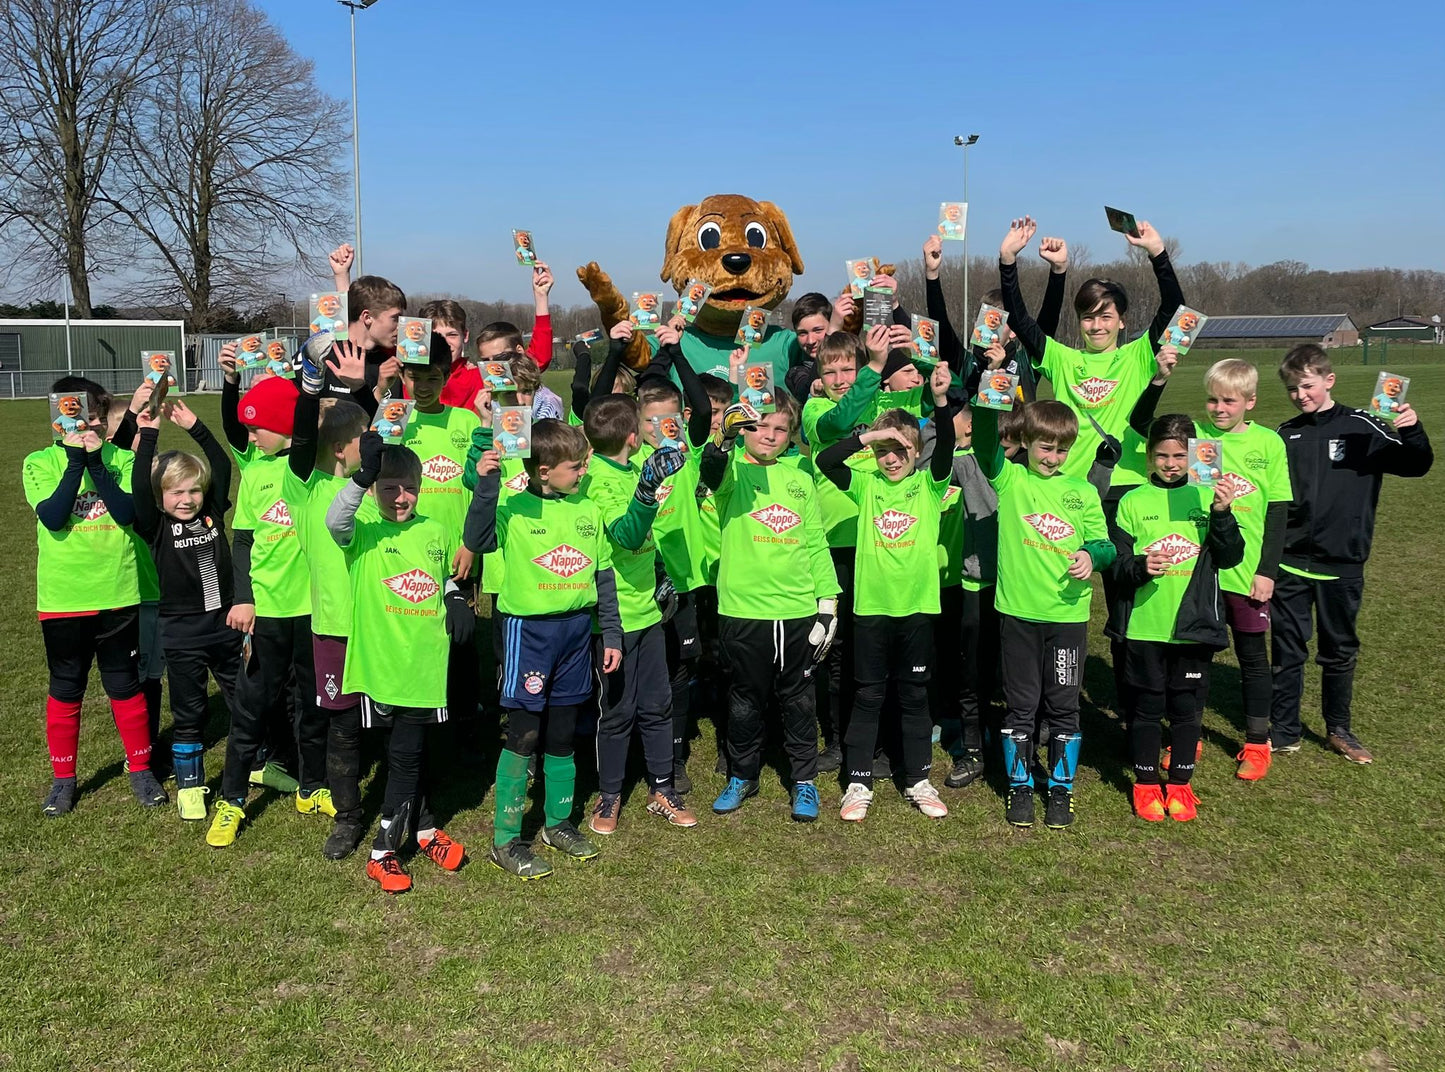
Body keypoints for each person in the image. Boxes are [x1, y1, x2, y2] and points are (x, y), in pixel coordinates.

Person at [995, 214, 1186, 738]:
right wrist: (1008, 261)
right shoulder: (1060, 359)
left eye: (1106, 316)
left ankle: (1134, 715)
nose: (1096, 325)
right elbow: (1021, 321)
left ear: (1122, 321)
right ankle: (1040, 710)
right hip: (1067, 496)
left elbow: (1174, 310)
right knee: (1054, 601)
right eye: (1088, 317)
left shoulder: (1138, 355)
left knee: (1127, 609)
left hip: (1124, 495)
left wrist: (1157, 252)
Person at [463, 419, 623, 880]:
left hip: (575, 632)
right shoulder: (512, 508)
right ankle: (505, 840)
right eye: (577, 466)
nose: (584, 471)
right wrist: (487, 485)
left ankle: (557, 824)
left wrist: (611, 633)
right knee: (524, 733)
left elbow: (603, 578)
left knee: (563, 732)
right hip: (527, 634)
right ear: (545, 471)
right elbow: (477, 540)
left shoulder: (587, 509)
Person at [1270, 345, 1433, 763]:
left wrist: (1412, 429)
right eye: (1292, 389)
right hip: (1290, 561)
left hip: (1341, 562)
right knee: (1288, 650)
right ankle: (1284, 730)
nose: (1300, 395)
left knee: (1339, 650)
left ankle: (1339, 729)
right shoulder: (1286, 434)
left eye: (1307, 386)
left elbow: (1416, 465)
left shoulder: (1364, 426)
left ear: (1329, 380)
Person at [326, 437, 474, 893]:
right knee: (404, 755)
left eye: (408, 487)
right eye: (388, 488)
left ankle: (424, 830)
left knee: (414, 751)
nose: (400, 497)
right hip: (383, 666)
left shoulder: (436, 530)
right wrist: (361, 478)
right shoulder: (365, 532)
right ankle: (382, 853)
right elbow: (335, 520)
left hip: (426, 666)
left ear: (421, 487)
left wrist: (454, 597)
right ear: (374, 490)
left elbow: (441, 576)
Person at [817, 359, 956, 822]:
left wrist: (939, 402)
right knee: (869, 695)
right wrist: (869, 437)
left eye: (900, 450)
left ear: (916, 450)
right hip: (872, 610)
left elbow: (945, 444)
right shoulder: (866, 484)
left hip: (916, 609)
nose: (891, 459)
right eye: (884, 452)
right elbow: (825, 460)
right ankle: (858, 783)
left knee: (914, 696)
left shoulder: (930, 486)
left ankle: (918, 779)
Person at [971, 396, 1115, 828]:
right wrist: (991, 384)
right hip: (1019, 615)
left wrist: (1091, 555)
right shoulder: (1011, 479)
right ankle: (1019, 787)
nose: (1052, 458)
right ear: (1025, 441)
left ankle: (1060, 788)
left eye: (1062, 450)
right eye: (1045, 447)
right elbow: (983, 440)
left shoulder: (1082, 492)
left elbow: (1105, 545)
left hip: (1067, 618)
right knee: (1021, 706)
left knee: (1064, 708)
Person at [23, 378, 162, 816]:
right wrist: (73, 463)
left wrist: (97, 464)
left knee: (124, 684)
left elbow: (127, 513)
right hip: (64, 597)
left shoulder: (122, 458)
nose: (89, 425)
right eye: (79, 416)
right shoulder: (38, 462)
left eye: (97, 418)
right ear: (57, 419)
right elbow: (53, 516)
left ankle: (141, 769)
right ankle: (63, 779)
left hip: (118, 592)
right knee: (67, 687)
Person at [699, 393, 840, 821]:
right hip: (743, 611)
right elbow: (712, 471)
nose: (770, 435)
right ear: (746, 429)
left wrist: (827, 601)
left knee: (799, 700)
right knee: (745, 700)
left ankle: (804, 780)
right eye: (761, 426)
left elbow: (815, 541)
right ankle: (743, 774)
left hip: (796, 610)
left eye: (781, 429)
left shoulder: (800, 477)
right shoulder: (734, 471)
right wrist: (724, 439)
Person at [1108, 414, 1244, 822]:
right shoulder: (1131, 501)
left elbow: (1230, 556)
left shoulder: (1207, 497)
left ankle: (1181, 785)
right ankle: (1146, 783)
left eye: (1180, 456)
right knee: (1147, 708)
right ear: (1149, 455)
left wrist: (1222, 512)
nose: (1170, 464)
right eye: (1162, 456)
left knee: (1187, 710)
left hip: (1194, 626)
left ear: (1195, 456)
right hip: (1144, 627)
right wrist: (1140, 566)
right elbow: (1116, 564)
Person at [209, 374, 326, 847]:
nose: (251, 437)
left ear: (285, 426)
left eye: (258, 428)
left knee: (313, 705)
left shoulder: (313, 468)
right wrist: (244, 597)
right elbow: (242, 541)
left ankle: (312, 787)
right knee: (251, 708)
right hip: (267, 613)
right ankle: (232, 799)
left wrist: (311, 392)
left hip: (315, 612)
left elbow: (307, 437)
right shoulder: (255, 473)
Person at [578, 393, 696, 834]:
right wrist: (646, 490)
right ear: (632, 436)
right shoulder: (599, 480)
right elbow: (627, 536)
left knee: (658, 705)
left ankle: (662, 788)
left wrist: (661, 572)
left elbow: (647, 541)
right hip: (615, 619)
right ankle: (609, 795)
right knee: (617, 712)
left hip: (648, 613)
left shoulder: (631, 468)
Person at [130, 397, 245, 823]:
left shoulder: (211, 512)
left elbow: (222, 465)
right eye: (176, 492)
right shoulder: (155, 525)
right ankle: (191, 786)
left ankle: (255, 762)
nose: (187, 499)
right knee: (190, 710)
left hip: (226, 624)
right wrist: (149, 435)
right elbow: (140, 486)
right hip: (180, 633)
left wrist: (196, 425)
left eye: (194, 490)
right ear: (161, 497)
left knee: (243, 700)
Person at [287, 337, 376, 858]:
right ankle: (347, 817)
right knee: (342, 727)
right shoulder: (305, 489)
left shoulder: (376, 488)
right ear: (342, 449)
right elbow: (303, 441)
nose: (374, 443)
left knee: (392, 722)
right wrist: (311, 387)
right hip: (334, 631)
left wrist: (362, 390)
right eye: (364, 438)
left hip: (382, 625)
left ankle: (412, 806)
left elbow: (382, 437)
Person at [1192, 358, 1294, 780]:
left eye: (1229, 401)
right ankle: (1187, 736)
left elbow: (1278, 512)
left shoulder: (1269, 443)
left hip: (1247, 571)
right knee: (1194, 656)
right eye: (1212, 400)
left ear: (1249, 402)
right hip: (1199, 571)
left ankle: (1256, 742)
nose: (1219, 409)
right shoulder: (1196, 437)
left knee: (1252, 656)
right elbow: (1144, 424)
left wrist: (1267, 571)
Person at [632, 324, 718, 791]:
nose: (659, 429)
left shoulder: (688, 453)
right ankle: (643, 750)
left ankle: (676, 756)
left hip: (683, 581)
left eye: (668, 421)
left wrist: (676, 350)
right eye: (650, 421)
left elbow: (703, 408)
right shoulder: (629, 462)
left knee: (681, 670)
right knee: (646, 672)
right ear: (637, 423)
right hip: (640, 583)